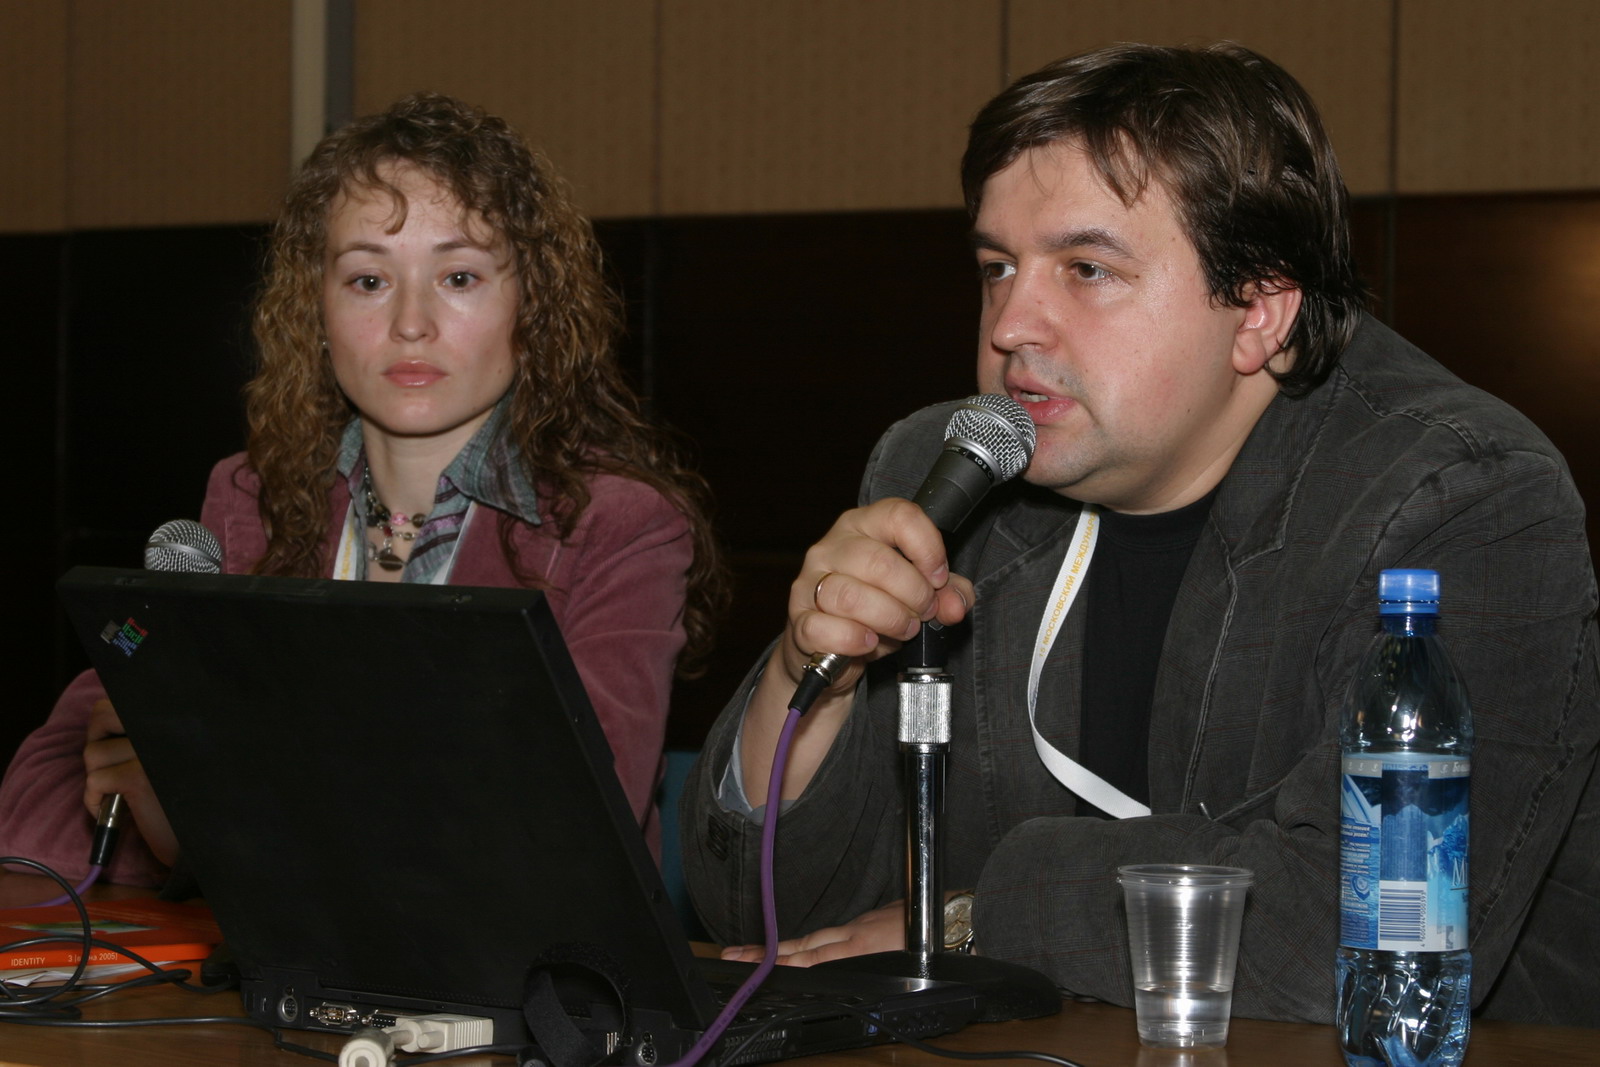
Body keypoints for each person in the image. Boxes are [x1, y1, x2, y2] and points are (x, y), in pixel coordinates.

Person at [681, 43, 1598, 1026]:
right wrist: (808, 678)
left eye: (1086, 269)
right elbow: (764, 922)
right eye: (997, 267)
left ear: (1259, 309)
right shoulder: (946, 474)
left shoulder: (1462, 498)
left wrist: (974, 915)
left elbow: (1362, 928)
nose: (1011, 324)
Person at [1, 92, 723, 887]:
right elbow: (36, 799)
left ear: (534, 305)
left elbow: (566, 832)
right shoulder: (251, 500)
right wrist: (161, 814)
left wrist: (219, 814)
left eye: (458, 276)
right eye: (369, 279)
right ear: (316, 308)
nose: (411, 322)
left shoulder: (619, 527)